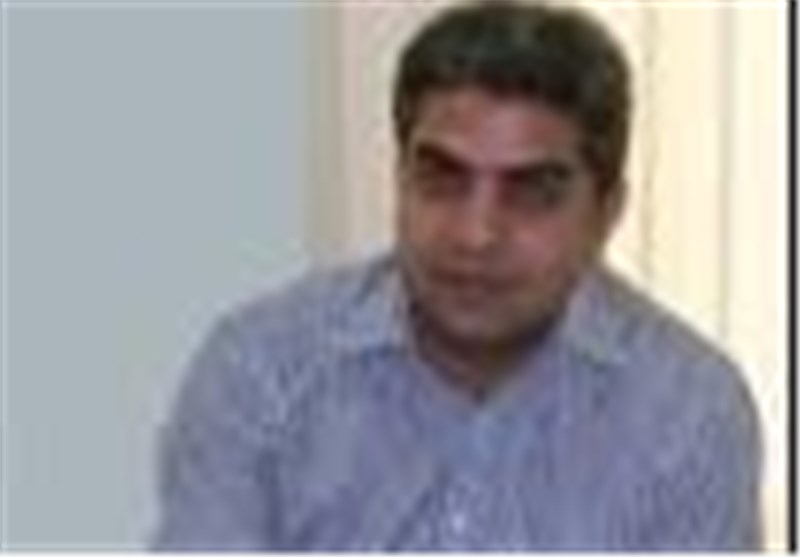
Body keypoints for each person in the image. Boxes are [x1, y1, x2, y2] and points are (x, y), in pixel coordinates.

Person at [151, 0, 762, 550]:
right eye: (442, 178)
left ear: (605, 214)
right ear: (399, 177)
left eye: (531, 193)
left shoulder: (686, 412)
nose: (476, 234)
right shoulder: (263, 373)